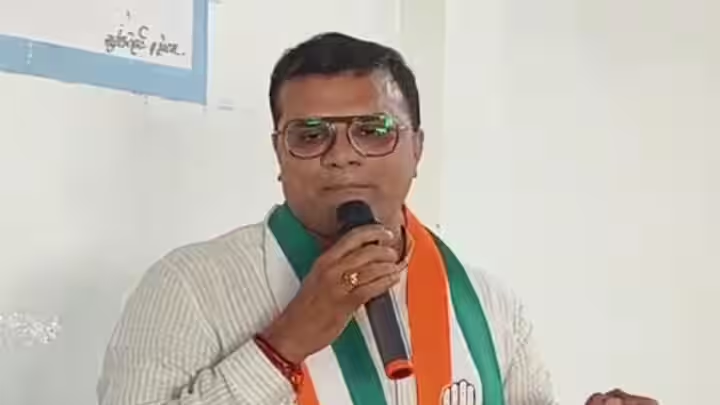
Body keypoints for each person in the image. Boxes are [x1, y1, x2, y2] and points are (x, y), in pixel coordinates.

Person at [97, 32, 658, 405]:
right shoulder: (189, 287)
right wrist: (285, 343)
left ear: (417, 149)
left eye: (373, 130)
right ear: (279, 154)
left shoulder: (491, 306)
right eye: (310, 135)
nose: (342, 155)